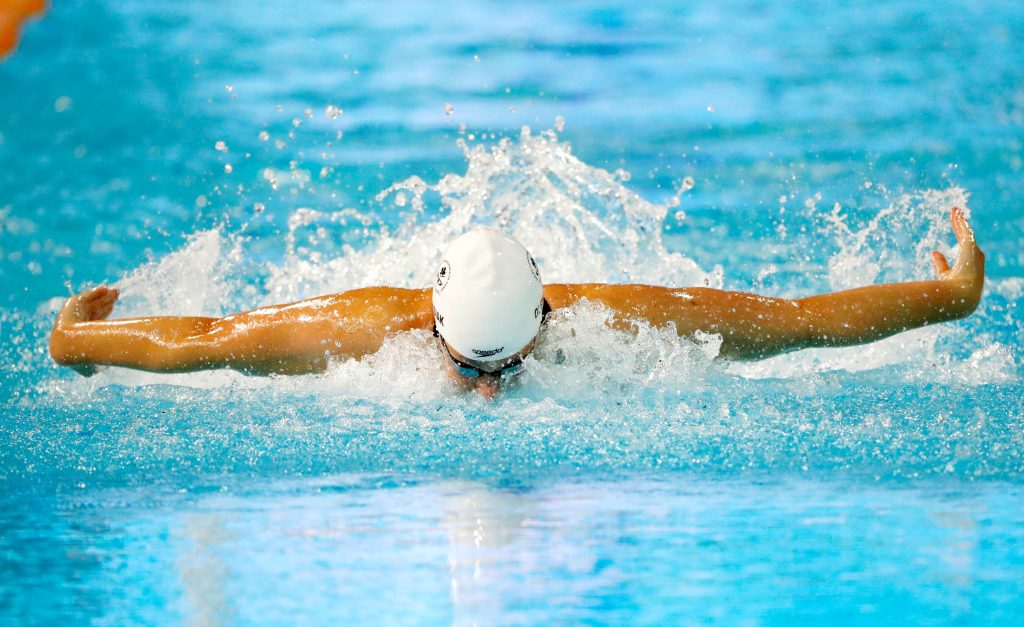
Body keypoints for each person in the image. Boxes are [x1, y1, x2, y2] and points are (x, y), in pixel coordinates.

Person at [50, 207, 984, 398]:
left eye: (508, 366)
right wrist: (75, 341)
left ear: (547, 322)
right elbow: (205, 338)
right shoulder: (361, 328)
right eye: (467, 368)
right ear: (432, 323)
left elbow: (801, 322)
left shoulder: (619, 316)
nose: (490, 392)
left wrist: (953, 298)